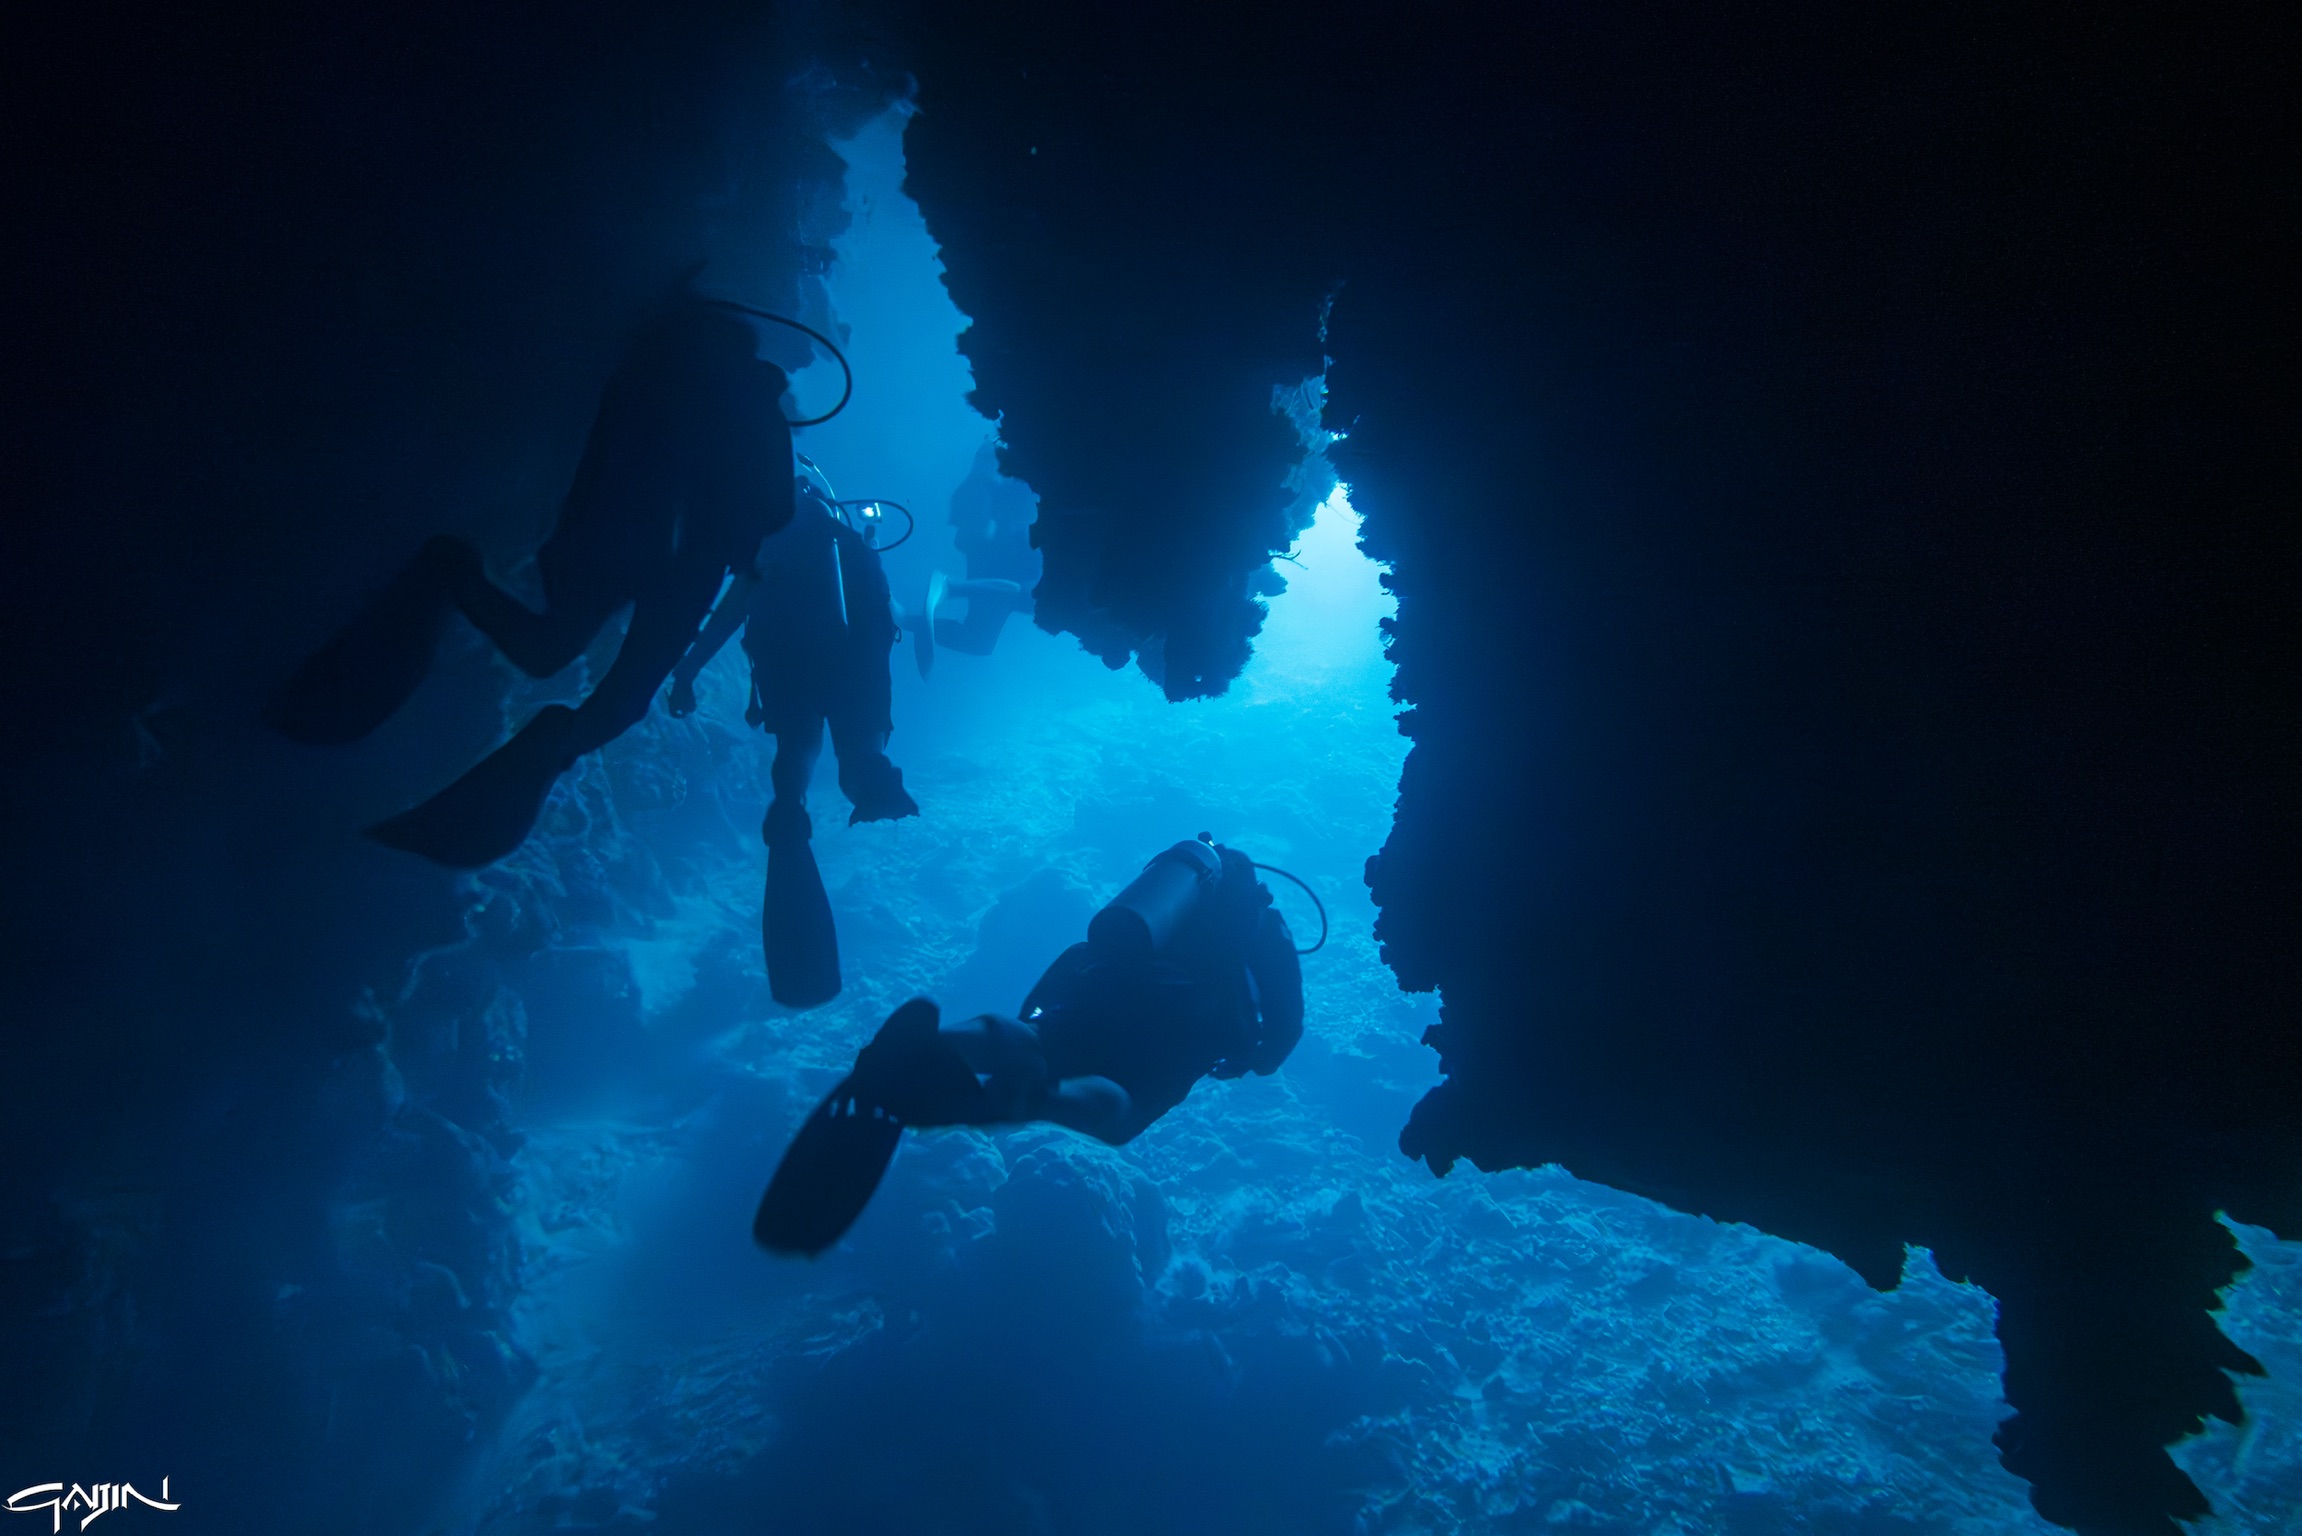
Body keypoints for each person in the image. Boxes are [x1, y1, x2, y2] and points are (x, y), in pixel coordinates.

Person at [266, 288, 800, 868]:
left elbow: (613, 448)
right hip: (672, 557)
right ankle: (540, 727)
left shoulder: (667, 376)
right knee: (608, 694)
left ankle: (452, 579)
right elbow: (775, 509)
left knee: (552, 653)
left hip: (626, 536)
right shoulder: (751, 403)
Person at [753, 836, 1309, 1256]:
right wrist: (1250, 1056)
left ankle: (939, 1043)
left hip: (1106, 978)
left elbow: (1114, 932)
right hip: (1190, 1021)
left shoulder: (1177, 894)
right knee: (1122, 1105)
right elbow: (1282, 1039)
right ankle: (1032, 1098)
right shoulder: (1268, 931)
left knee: (1038, 1039)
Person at [666, 479, 918, 1007]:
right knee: (860, 755)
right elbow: (882, 619)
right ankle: (872, 775)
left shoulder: (774, 539)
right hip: (858, 666)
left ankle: (789, 808)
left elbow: (732, 610)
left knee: (797, 749)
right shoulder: (847, 542)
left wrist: (687, 672)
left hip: (790, 661)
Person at [909, 439, 1039, 676]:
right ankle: (950, 588)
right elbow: (971, 530)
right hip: (1000, 562)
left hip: (1006, 561)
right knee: (1031, 599)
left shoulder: (1008, 472)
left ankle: (905, 618)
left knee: (979, 642)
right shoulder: (994, 473)